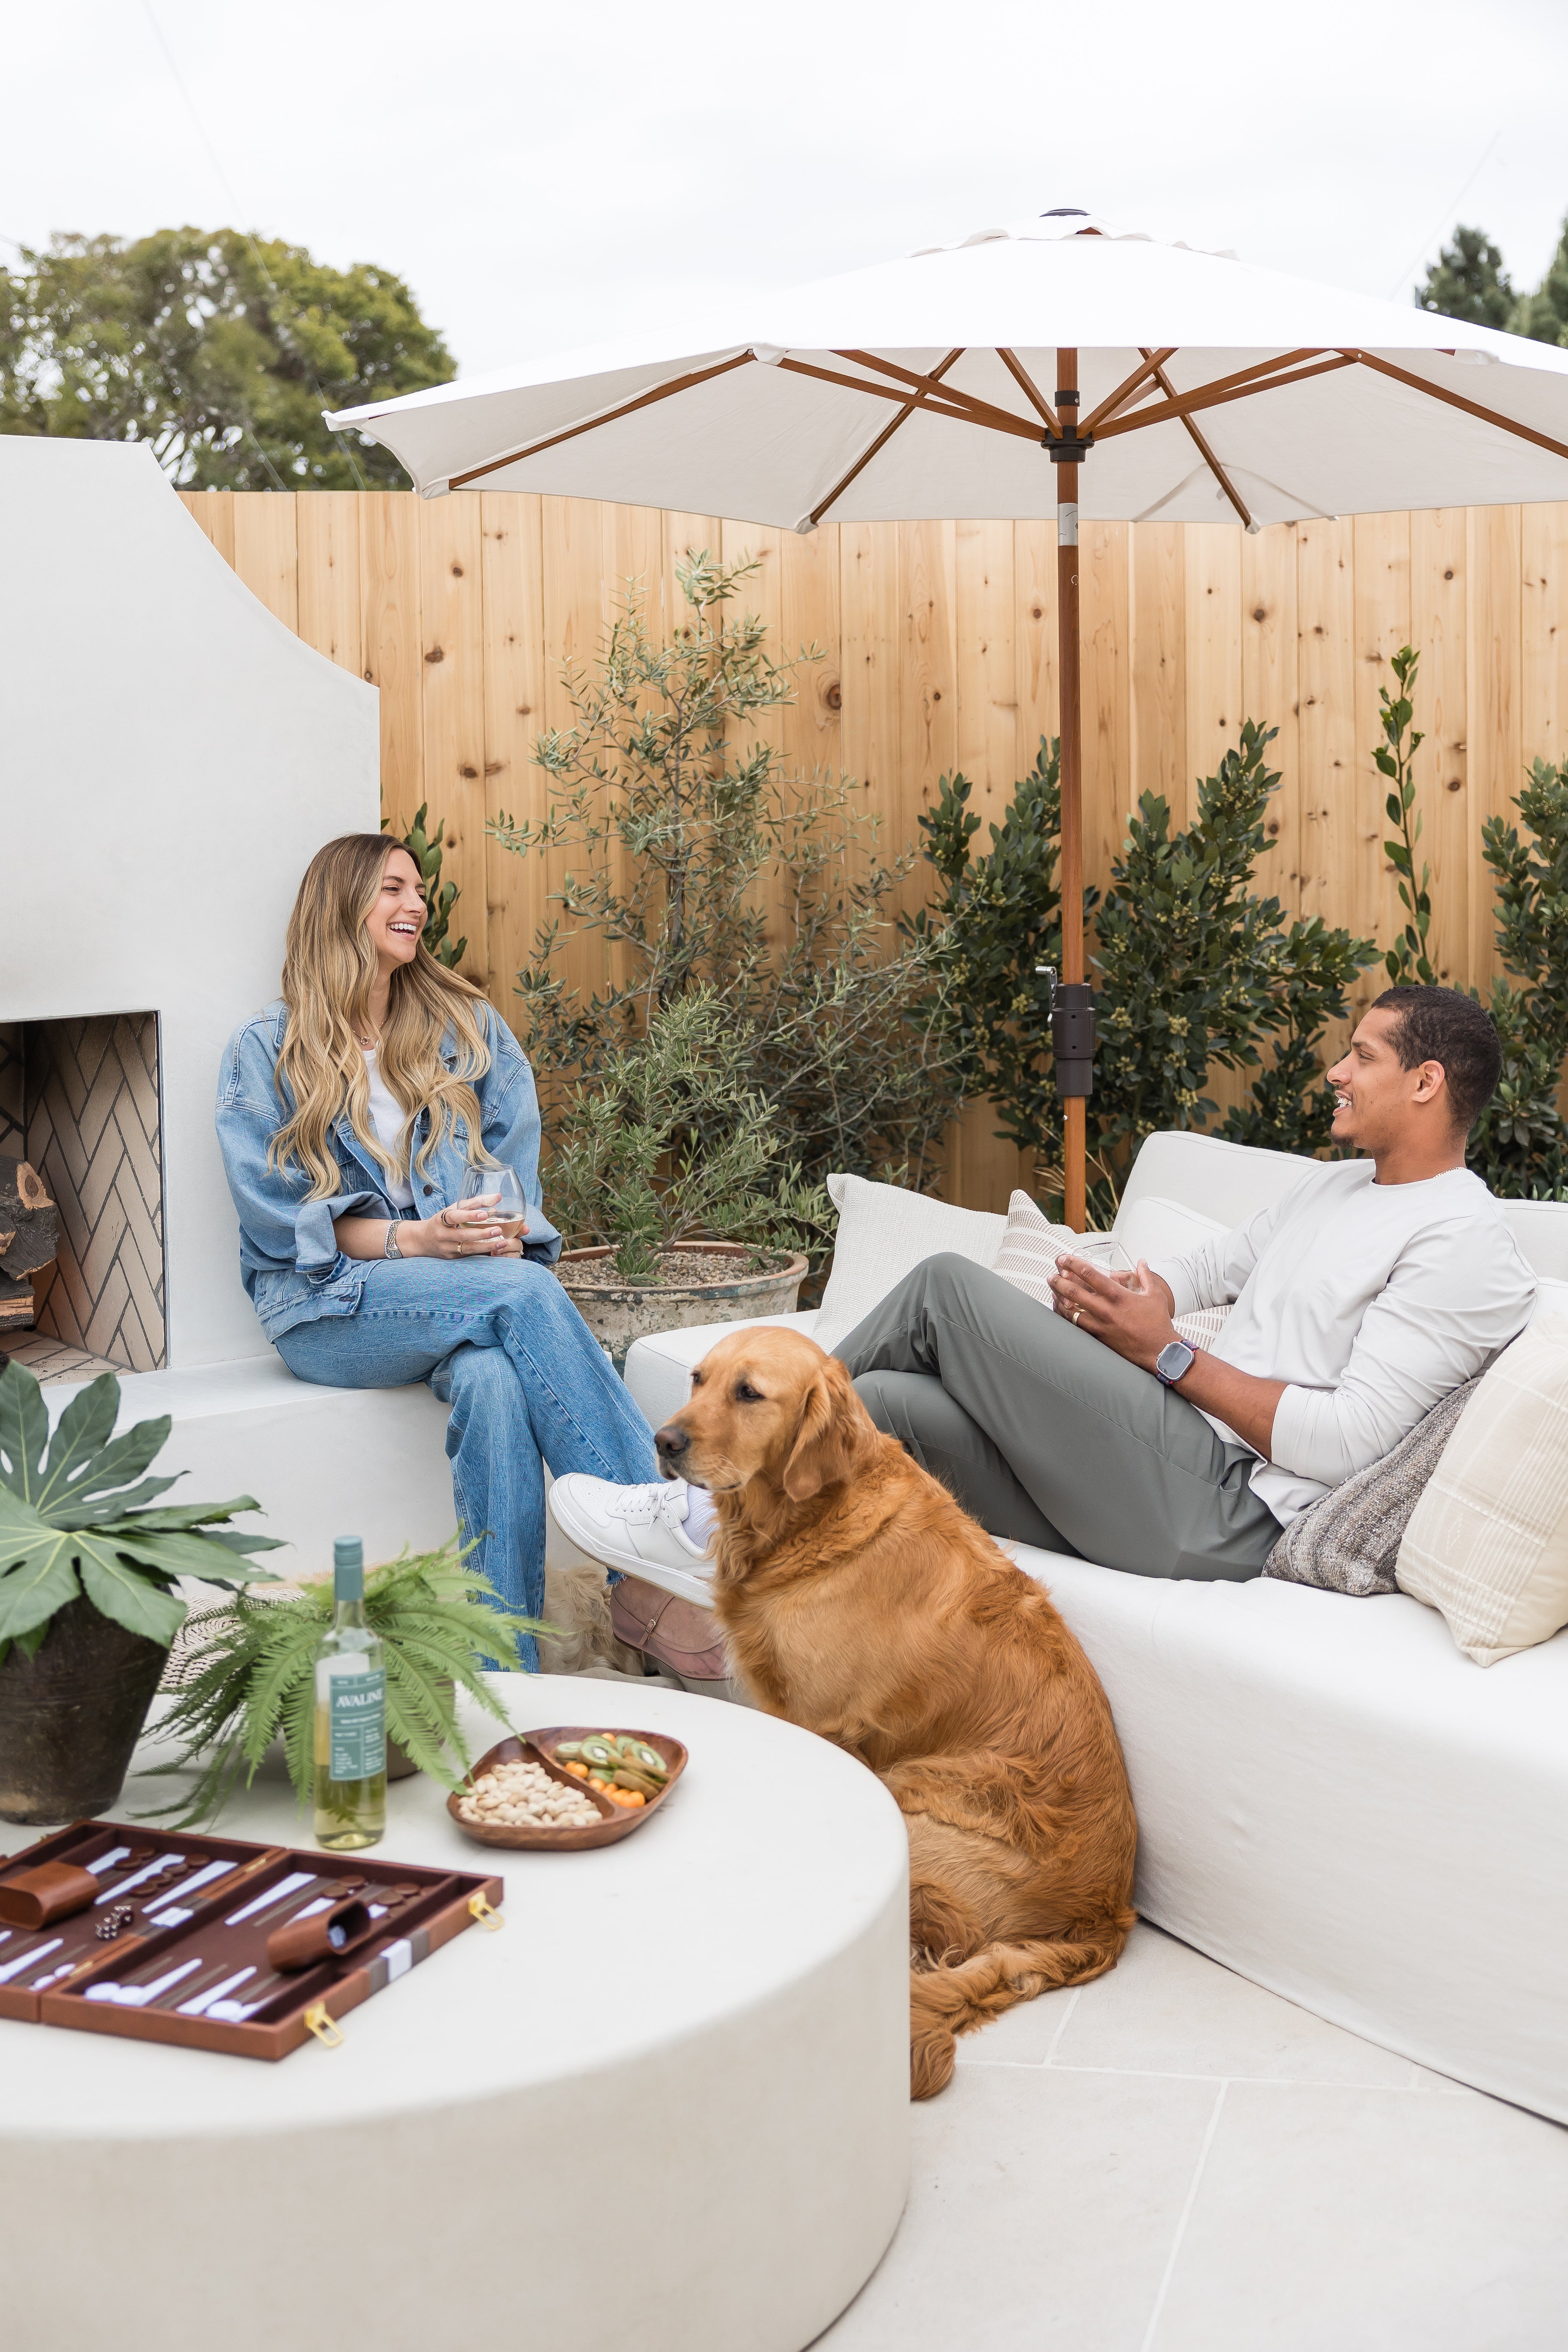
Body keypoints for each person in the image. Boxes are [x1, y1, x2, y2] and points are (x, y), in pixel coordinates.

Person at [551, 986, 1535, 1599]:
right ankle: (722, 1577)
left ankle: (700, 1513)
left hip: (1231, 1513)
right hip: (1161, 1458)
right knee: (887, 1406)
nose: (1335, 1070)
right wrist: (1121, 1292)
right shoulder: (1334, 1187)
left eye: (1362, 1055)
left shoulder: (1460, 1238)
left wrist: (1163, 1352)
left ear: (1426, 1083)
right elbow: (1206, 1271)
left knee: (944, 1291)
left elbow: (1352, 1441)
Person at [216, 833, 658, 1664]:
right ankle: (656, 1566)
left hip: (461, 1293)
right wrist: (419, 1239)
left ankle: (505, 1671)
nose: (415, 905)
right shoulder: (268, 1048)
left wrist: (497, 1231)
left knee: (495, 1382)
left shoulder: (468, 1027)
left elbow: (514, 1180)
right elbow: (278, 1219)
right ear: (341, 905)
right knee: (523, 1295)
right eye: (392, 889)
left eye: (418, 890)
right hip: (329, 1310)